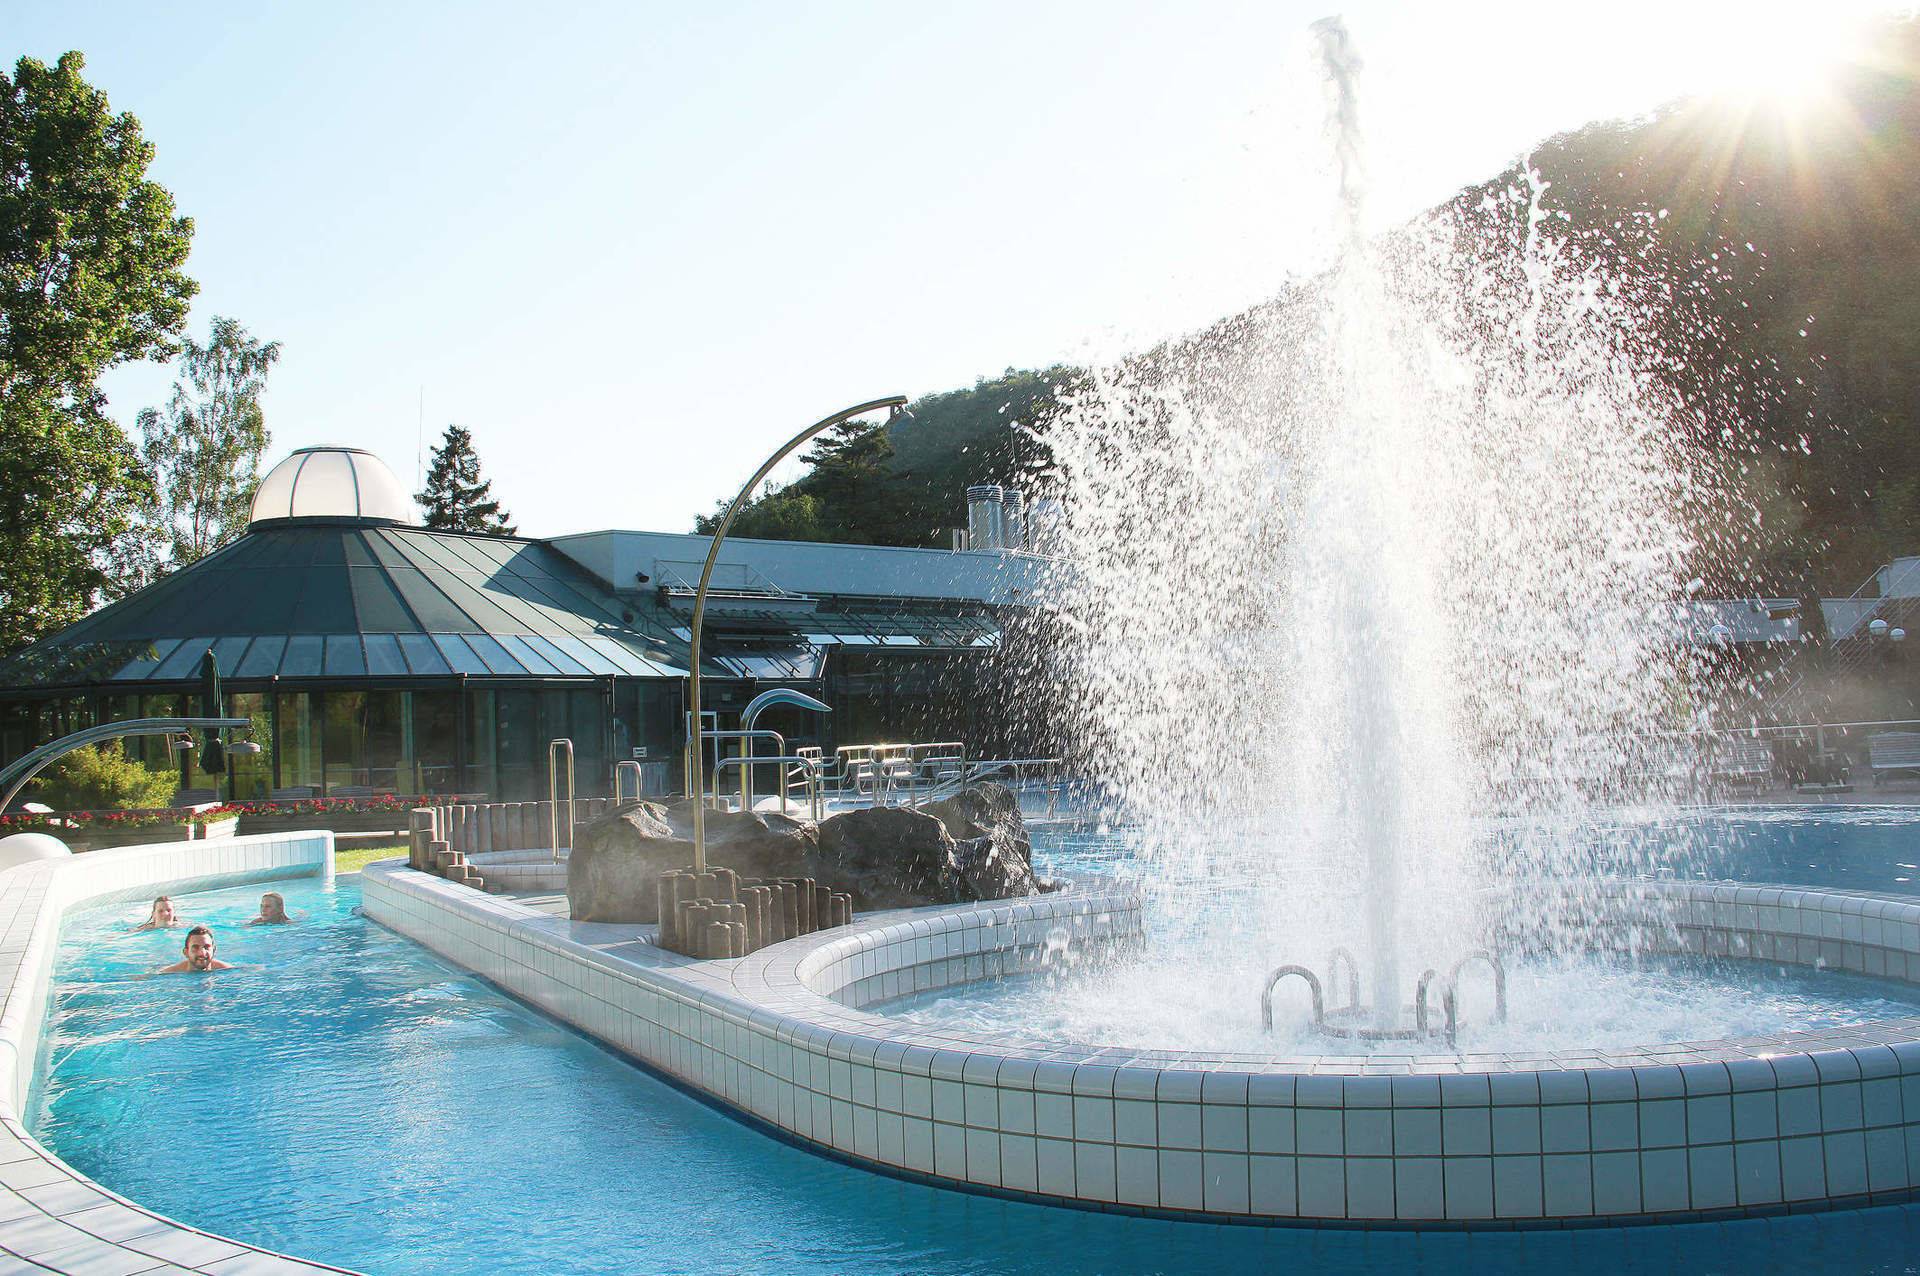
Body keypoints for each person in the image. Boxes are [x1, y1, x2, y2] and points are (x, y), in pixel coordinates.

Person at [158, 926, 232, 973]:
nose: (202, 953)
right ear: (186, 952)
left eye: (206, 947)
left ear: (214, 950)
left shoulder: (228, 971)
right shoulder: (169, 974)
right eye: (195, 948)